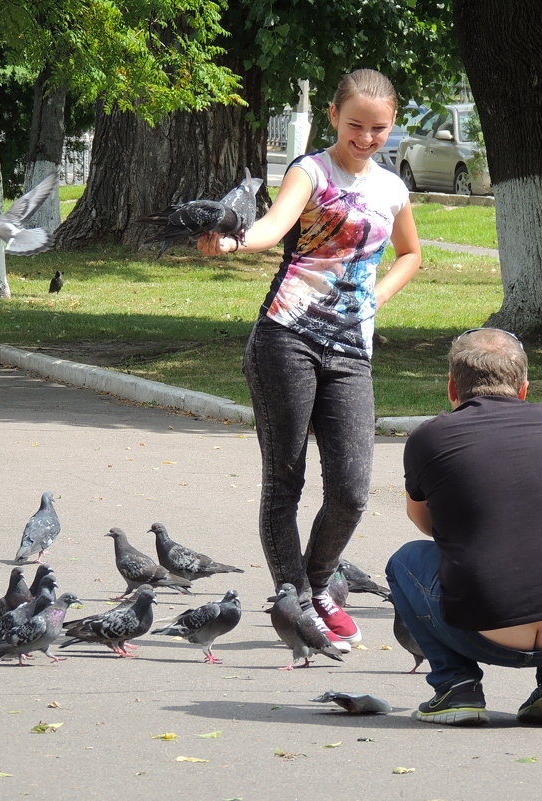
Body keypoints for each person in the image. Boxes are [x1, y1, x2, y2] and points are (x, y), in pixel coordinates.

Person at [197, 68, 421, 652]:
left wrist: (378, 297)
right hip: (286, 339)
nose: (367, 138)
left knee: (351, 488)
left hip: (351, 351)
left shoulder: (392, 189)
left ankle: (320, 582)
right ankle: (294, 596)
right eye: (356, 126)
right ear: (333, 117)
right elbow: (273, 228)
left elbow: (410, 254)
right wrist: (232, 241)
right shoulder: (311, 171)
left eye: (379, 129)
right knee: (286, 481)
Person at [386, 328, 542, 726]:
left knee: (405, 561)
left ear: (452, 386)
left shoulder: (430, 436)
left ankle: (456, 686)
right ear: (524, 388)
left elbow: (426, 524)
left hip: (483, 631)